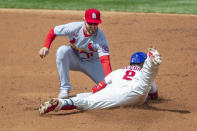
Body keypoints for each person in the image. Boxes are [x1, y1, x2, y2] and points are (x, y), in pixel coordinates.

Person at [39, 47, 162, 114]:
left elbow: (96, 89)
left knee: (89, 100)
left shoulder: (117, 72)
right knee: (146, 81)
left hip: (115, 94)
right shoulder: (142, 74)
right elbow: (154, 95)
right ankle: (151, 64)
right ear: (141, 64)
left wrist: (101, 92)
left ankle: (62, 103)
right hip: (137, 93)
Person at [39, 9, 112, 99]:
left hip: (92, 63)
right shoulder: (74, 27)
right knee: (62, 51)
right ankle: (64, 89)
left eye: (95, 24)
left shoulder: (100, 38)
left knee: (109, 87)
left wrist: (109, 79)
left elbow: (105, 60)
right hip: (74, 58)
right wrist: (46, 46)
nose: (93, 27)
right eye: (90, 23)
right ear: (84, 20)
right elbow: (53, 31)